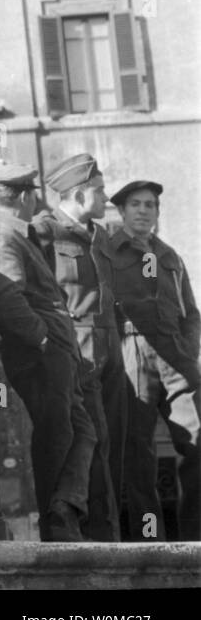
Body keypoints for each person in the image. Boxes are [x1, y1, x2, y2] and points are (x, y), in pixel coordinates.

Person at [0, 163, 94, 541]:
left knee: (81, 432)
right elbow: (5, 291)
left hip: (57, 352)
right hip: (42, 354)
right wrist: (41, 338)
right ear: (26, 196)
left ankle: (64, 508)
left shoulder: (17, 231)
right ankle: (55, 524)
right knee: (56, 436)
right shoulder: (2, 233)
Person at [96, 180, 200, 541]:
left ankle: (195, 536)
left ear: (157, 212)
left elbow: (191, 314)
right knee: (137, 456)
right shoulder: (106, 252)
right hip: (131, 354)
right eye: (136, 204)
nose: (143, 210)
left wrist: (188, 353)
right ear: (122, 212)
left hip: (176, 357)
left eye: (150, 205)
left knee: (197, 440)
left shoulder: (169, 257)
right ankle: (149, 539)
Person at [31, 153, 126, 541]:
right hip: (77, 347)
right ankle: (97, 533)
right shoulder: (44, 231)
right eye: (100, 191)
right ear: (80, 194)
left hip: (109, 347)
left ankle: (112, 530)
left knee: (114, 441)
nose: (106, 199)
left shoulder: (100, 235)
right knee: (92, 437)